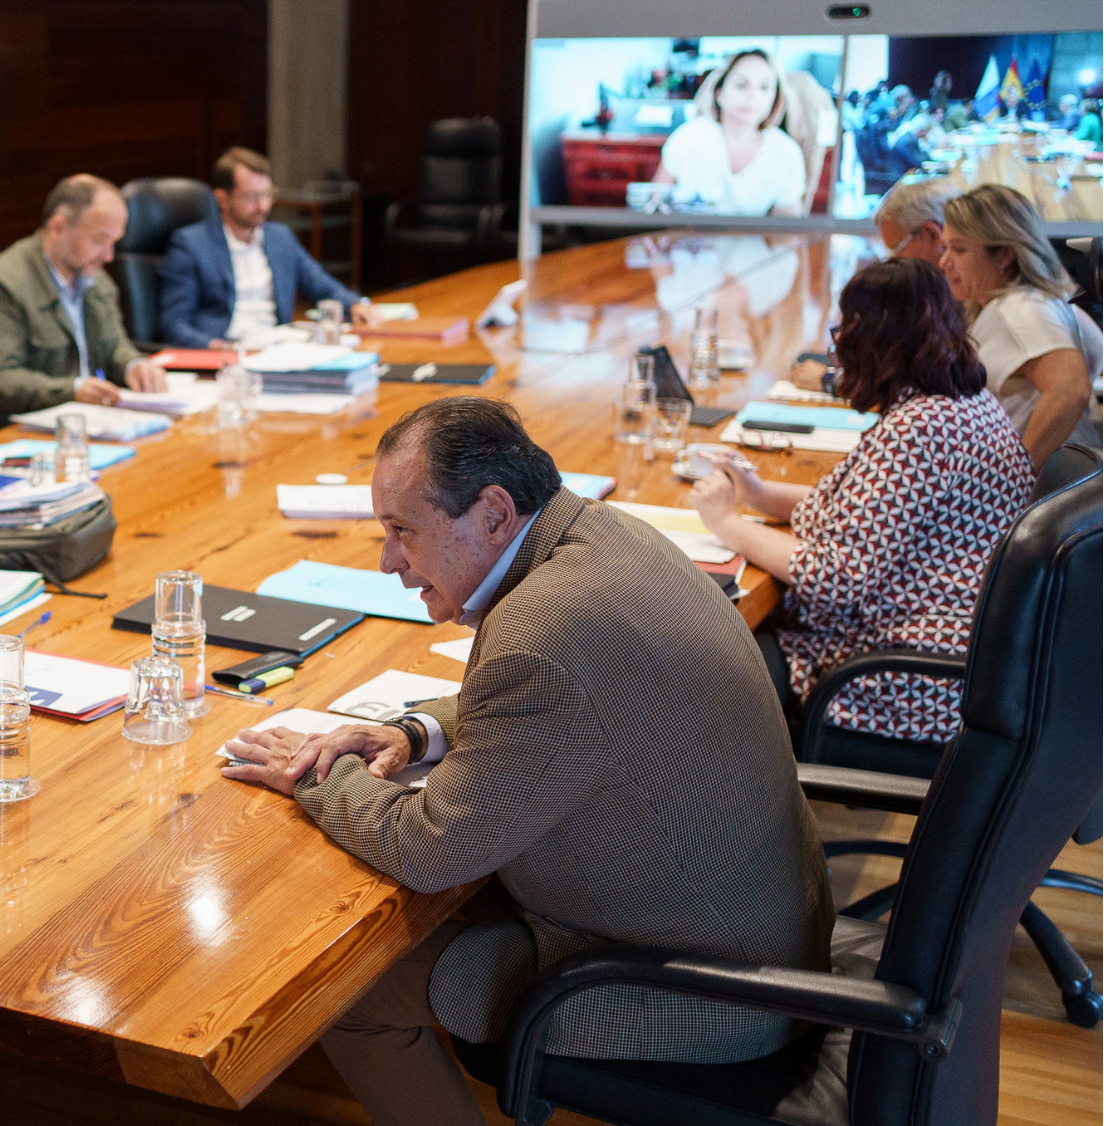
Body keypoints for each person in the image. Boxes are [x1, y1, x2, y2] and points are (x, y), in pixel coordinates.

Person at [220, 398, 832, 1126]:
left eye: (402, 531)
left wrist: (316, 773)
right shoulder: (604, 535)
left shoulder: (542, 633)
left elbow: (428, 848)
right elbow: (578, 698)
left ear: (494, 511)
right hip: (759, 924)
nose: (388, 561)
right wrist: (414, 733)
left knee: (350, 995)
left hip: (706, 990)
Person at [690, 258, 1035, 748]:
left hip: (896, 680)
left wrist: (727, 522)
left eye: (846, 326)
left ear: (876, 336)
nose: (838, 342)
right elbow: (866, 513)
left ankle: (728, 816)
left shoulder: (920, 429)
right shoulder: (959, 401)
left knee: (701, 667)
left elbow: (833, 577)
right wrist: (758, 493)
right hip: (952, 660)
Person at [0, 174, 170, 427]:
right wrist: (73, 389)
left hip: (88, 425)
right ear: (58, 228)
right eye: (100, 241)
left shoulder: (95, 279)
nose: (109, 256)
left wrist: (134, 365)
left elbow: (113, 347)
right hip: (15, 431)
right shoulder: (1, 285)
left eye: (114, 243)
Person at [938, 184, 1102, 465]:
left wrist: (1016, 474)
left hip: (1042, 497)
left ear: (1004, 254)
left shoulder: (1019, 310)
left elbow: (1072, 390)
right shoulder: (1038, 299)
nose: (944, 262)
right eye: (946, 248)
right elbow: (1096, 347)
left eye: (959, 250)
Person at [156, 147, 381, 349]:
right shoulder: (191, 244)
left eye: (267, 194)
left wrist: (354, 305)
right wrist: (214, 347)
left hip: (277, 347)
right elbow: (174, 324)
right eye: (252, 197)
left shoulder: (279, 237)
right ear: (223, 199)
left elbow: (321, 285)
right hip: (229, 352)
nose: (263, 206)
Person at [789, 176, 959, 389]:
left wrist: (833, 381)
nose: (893, 262)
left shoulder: (963, 294)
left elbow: (925, 384)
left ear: (931, 234)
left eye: (896, 249)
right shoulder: (934, 293)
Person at [651, 49, 807, 216]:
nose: (752, 95)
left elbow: (786, 233)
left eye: (764, 87)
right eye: (742, 85)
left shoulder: (786, 152)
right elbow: (654, 207)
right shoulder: (688, 137)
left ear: (774, 99)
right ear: (720, 94)